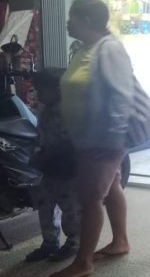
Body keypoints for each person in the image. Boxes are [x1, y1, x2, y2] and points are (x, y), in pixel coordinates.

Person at [53, 0, 134, 277]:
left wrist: (112, 141)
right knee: (111, 187)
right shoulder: (83, 48)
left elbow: (122, 97)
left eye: (71, 17)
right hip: (87, 136)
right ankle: (120, 241)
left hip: (102, 138)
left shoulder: (109, 48)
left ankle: (83, 262)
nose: (67, 22)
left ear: (86, 20)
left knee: (90, 197)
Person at [24, 67, 80, 263]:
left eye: (41, 90)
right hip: (49, 168)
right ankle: (49, 242)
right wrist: (38, 154)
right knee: (45, 205)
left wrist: (47, 156)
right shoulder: (44, 110)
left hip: (67, 168)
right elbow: (41, 135)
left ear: (58, 89)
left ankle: (74, 242)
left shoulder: (68, 111)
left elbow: (70, 142)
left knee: (70, 207)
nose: (37, 94)